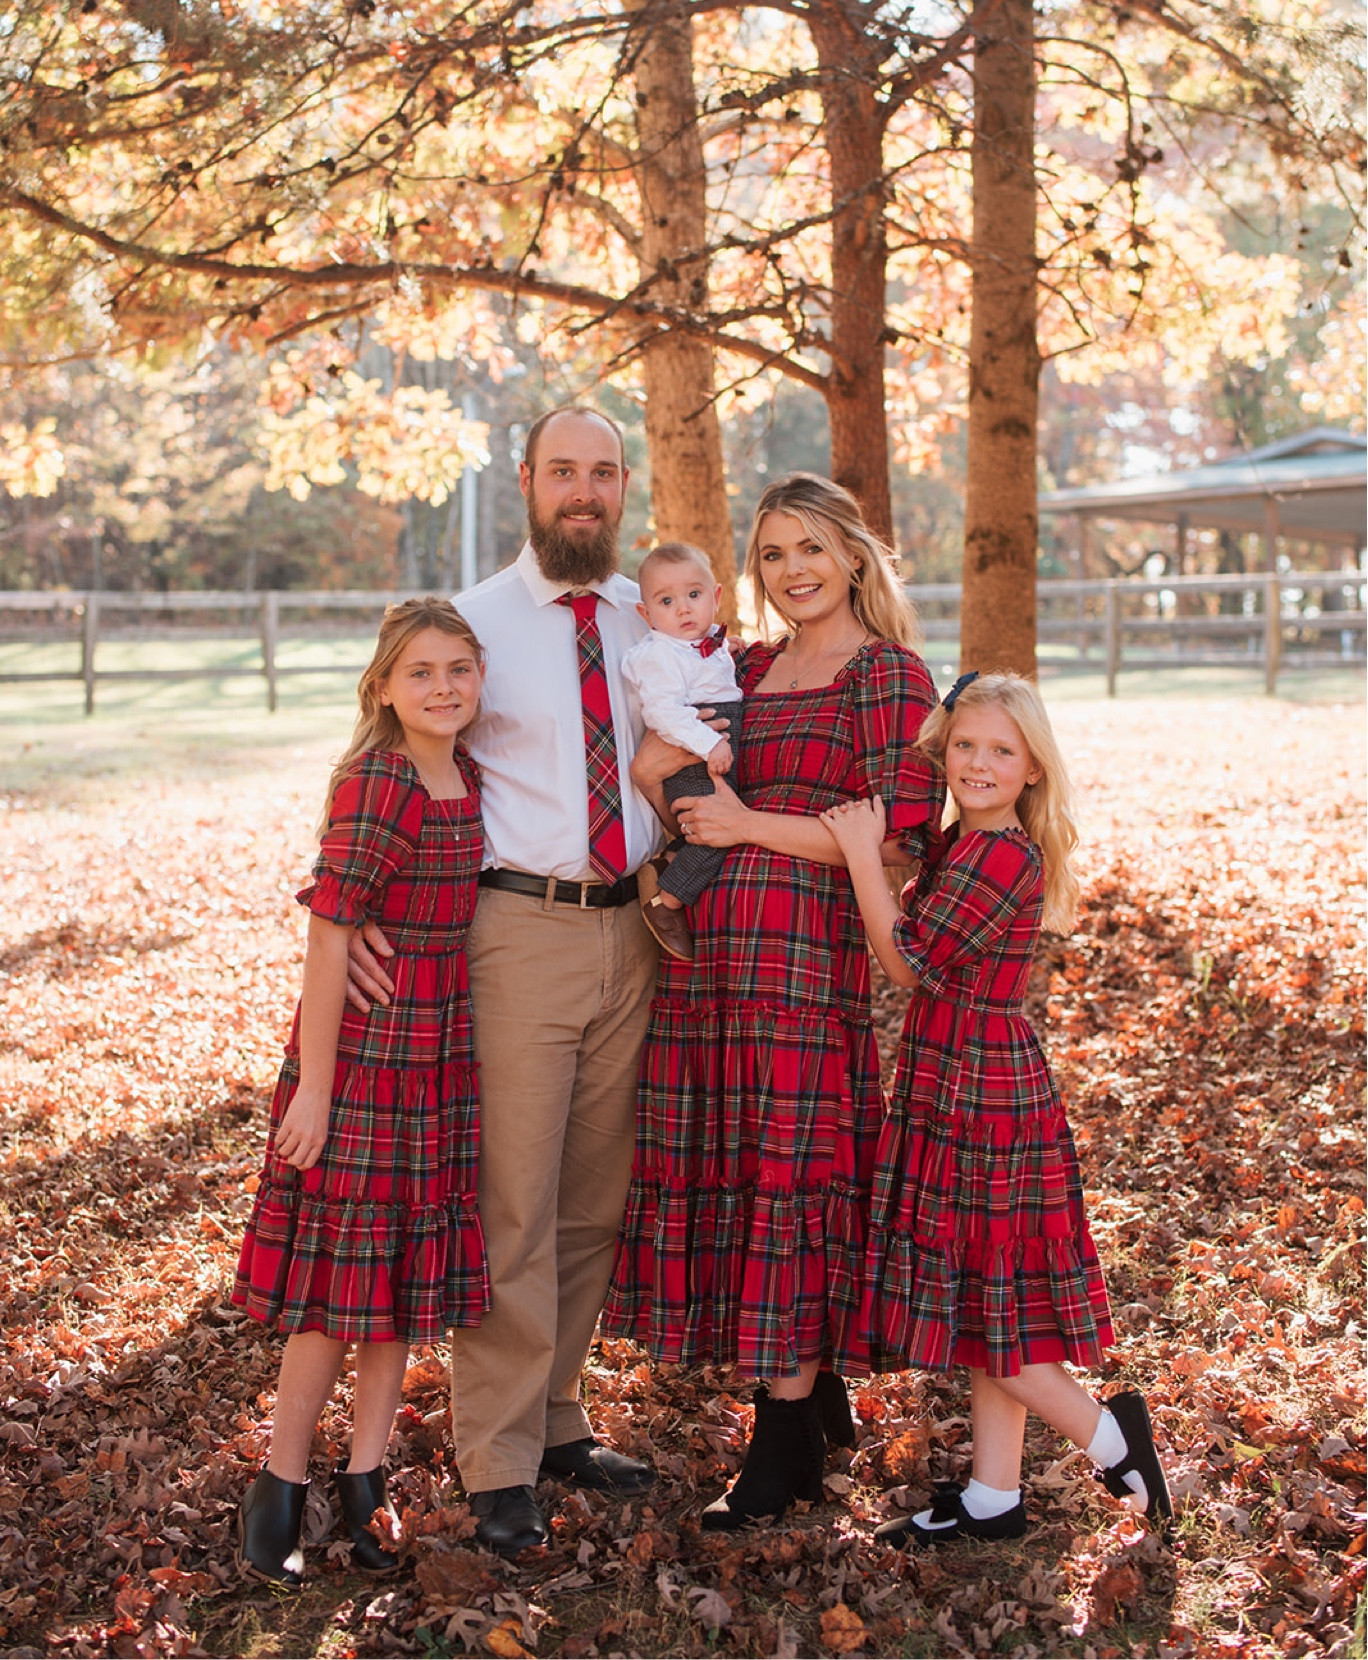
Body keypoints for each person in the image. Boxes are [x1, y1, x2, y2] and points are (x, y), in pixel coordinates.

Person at [601, 473, 945, 1529]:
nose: (793, 570)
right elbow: (657, 759)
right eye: (773, 554)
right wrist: (690, 803)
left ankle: (783, 1436)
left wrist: (747, 825)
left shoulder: (886, 675)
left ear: (852, 556)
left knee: (791, 1176)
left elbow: (892, 845)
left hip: (803, 969)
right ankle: (813, 1391)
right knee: (745, 1173)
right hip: (710, 965)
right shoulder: (744, 665)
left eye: (810, 548)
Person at [346, 407, 658, 1559]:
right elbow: (389, 753)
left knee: (592, 1202)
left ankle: (559, 1416)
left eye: (603, 472)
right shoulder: (472, 622)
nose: (584, 490)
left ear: (622, 485)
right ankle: (498, 1461)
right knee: (515, 1203)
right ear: (526, 480)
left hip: (636, 931)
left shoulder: (649, 619)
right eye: (563, 470)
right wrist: (354, 902)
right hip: (518, 929)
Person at [820, 671, 1173, 1547]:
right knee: (992, 1300)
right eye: (965, 745)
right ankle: (993, 1495)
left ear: (1032, 768)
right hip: (950, 1077)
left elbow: (907, 963)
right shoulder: (962, 842)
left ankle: (1112, 1440)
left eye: (1001, 751)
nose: (978, 763)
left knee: (993, 1313)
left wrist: (860, 850)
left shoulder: (1002, 855)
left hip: (982, 1095)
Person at [232, 598, 492, 1588]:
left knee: (398, 1286)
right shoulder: (382, 780)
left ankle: (364, 1477)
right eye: (420, 671)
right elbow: (329, 931)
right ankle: (279, 1484)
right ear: (382, 686)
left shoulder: (466, 772)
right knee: (335, 1295)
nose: (443, 687)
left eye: (459, 668)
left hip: (440, 1055)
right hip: (365, 1058)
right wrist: (317, 1091)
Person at [622, 540, 745, 962]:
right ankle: (667, 900)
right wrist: (709, 743)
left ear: (716, 596)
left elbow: (707, 667)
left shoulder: (703, 643)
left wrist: (728, 650)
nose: (683, 609)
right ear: (646, 615)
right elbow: (663, 713)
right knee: (717, 832)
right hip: (691, 756)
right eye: (666, 601)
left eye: (694, 594)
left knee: (722, 825)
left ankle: (673, 858)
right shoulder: (658, 654)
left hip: (717, 746)